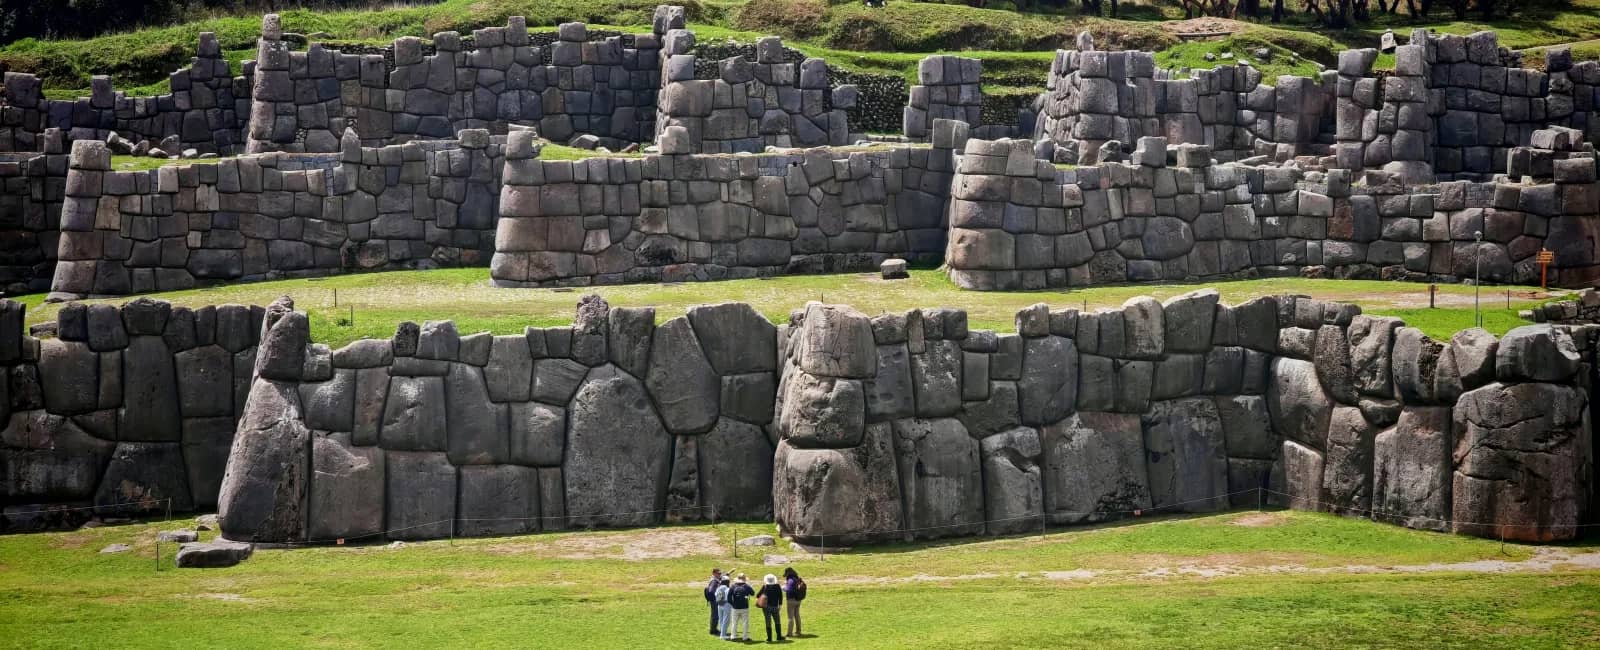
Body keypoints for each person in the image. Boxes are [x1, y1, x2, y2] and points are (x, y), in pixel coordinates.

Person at [727, 573, 755, 642]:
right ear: (744, 579)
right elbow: (753, 593)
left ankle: (733, 636)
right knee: (745, 623)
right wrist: (750, 586)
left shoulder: (733, 586)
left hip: (735, 607)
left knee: (734, 622)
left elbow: (729, 597)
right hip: (744, 607)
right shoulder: (746, 586)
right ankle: (745, 637)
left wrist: (733, 604)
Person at [759, 574, 785, 642]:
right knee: (777, 621)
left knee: (768, 622)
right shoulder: (777, 586)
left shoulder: (765, 586)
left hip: (766, 607)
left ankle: (769, 638)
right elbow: (780, 596)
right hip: (775, 606)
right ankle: (779, 636)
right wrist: (780, 605)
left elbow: (758, 595)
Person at [782, 567, 805, 638]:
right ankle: (798, 631)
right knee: (797, 615)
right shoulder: (797, 578)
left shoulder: (790, 580)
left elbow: (788, 589)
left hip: (791, 600)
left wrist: (783, 588)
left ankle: (789, 633)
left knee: (790, 617)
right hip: (798, 599)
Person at [704, 568, 724, 635]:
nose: (720, 575)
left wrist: (729, 573)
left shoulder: (715, 579)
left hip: (713, 600)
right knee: (715, 616)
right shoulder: (714, 581)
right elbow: (711, 591)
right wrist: (716, 598)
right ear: (714, 573)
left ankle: (713, 629)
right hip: (714, 601)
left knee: (715, 615)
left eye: (720, 573)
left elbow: (722, 577)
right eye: (718, 573)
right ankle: (713, 630)